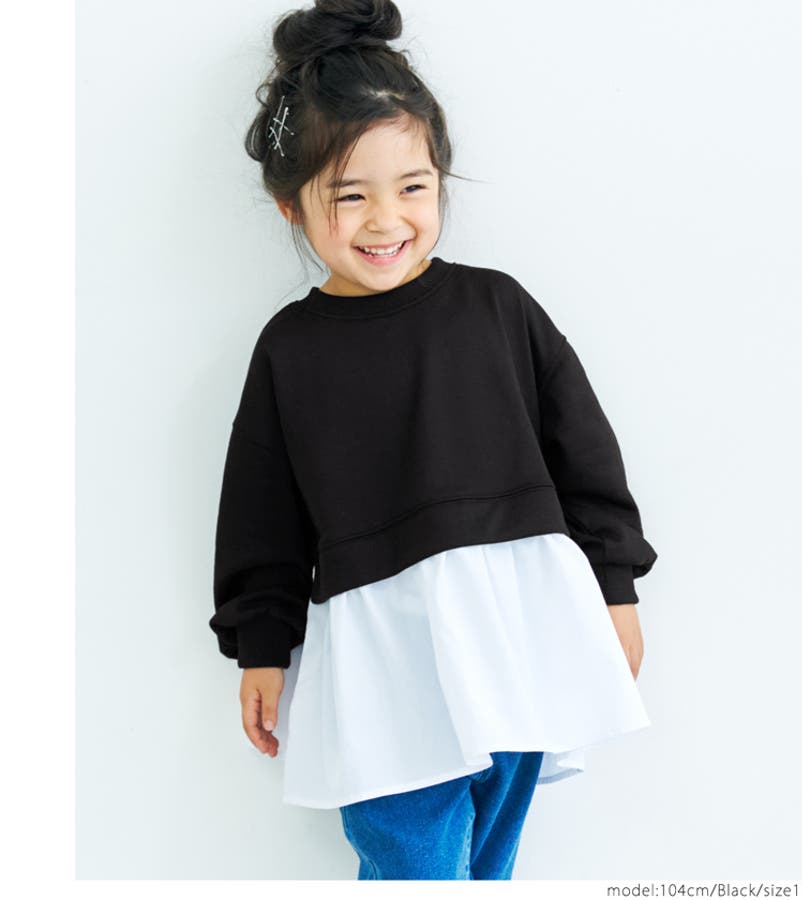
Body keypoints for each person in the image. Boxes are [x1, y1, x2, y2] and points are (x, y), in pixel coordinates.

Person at [209, 0, 659, 881]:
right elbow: (261, 512)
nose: (386, 220)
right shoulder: (291, 350)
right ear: (291, 205)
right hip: (384, 646)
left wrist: (614, 589)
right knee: (411, 852)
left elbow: (585, 456)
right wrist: (261, 644)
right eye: (350, 195)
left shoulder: (497, 307)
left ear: (441, 180)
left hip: (517, 625)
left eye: (413, 188)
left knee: (488, 858)